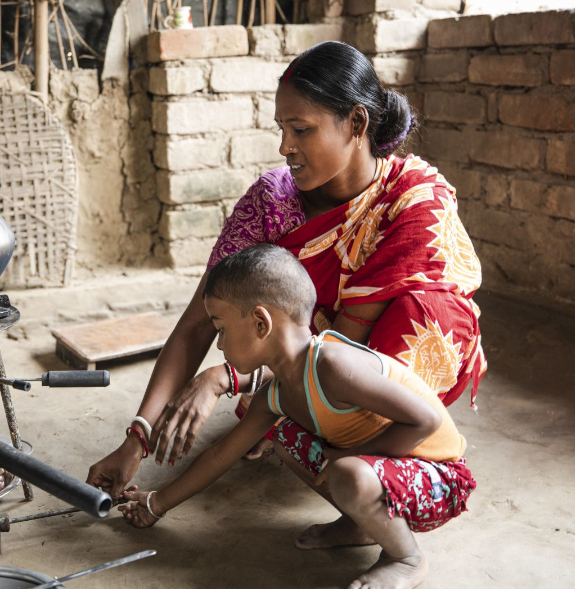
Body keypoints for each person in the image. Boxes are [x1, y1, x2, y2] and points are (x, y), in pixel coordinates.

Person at [87, 41, 486, 533]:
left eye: (301, 130)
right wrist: (137, 439)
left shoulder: (413, 201)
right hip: (302, 366)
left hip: (361, 374)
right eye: (282, 129)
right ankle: (311, 439)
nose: (285, 147)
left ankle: (382, 471)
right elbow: (197, 322)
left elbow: (341, 350)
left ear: (357, 124)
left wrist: (224, 378)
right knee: (254, 326)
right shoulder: (271, 202)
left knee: (430, 311)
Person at [119, 244, 476, 589]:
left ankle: (406, 558)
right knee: (286, 438)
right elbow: (221, 454)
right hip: (386, 472)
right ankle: (362, 523)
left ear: (261, 323)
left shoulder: (334, 366)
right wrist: (157, 503)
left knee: (346, 472)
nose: (220, 345)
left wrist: (349, 458)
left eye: (222, 328)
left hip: (440, 476)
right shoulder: (277, 394)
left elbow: (425, 421)